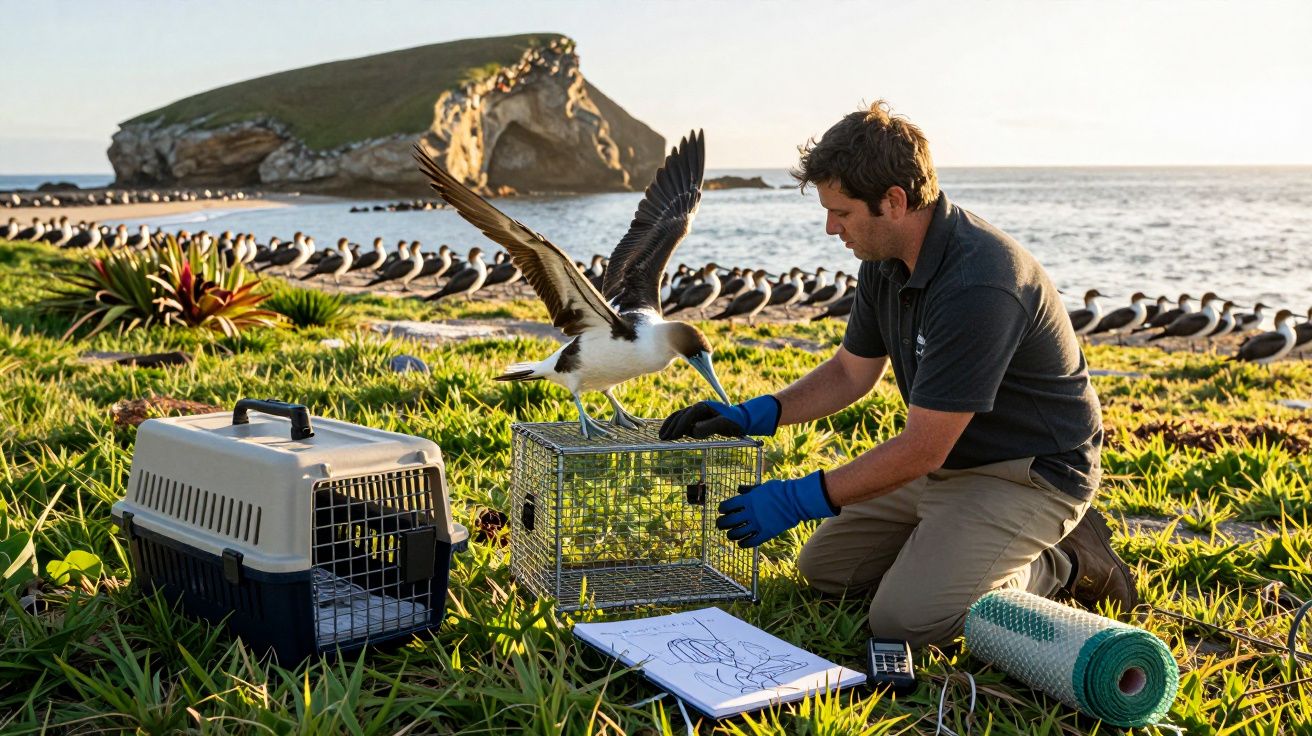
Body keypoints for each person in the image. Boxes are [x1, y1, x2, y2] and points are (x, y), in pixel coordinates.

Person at [659, 100, 1137, 649]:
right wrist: (754, 415)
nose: (829, 227)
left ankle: (1065, 561)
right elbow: (848, 372)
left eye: (841, 212)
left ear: (894, 201)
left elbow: (922, 448)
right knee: (827, 571)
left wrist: (796, 499)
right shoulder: (883, 261)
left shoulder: (980, 283)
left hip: (1027, 472)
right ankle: (951, 546)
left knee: (905, 622)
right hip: (950, 465)